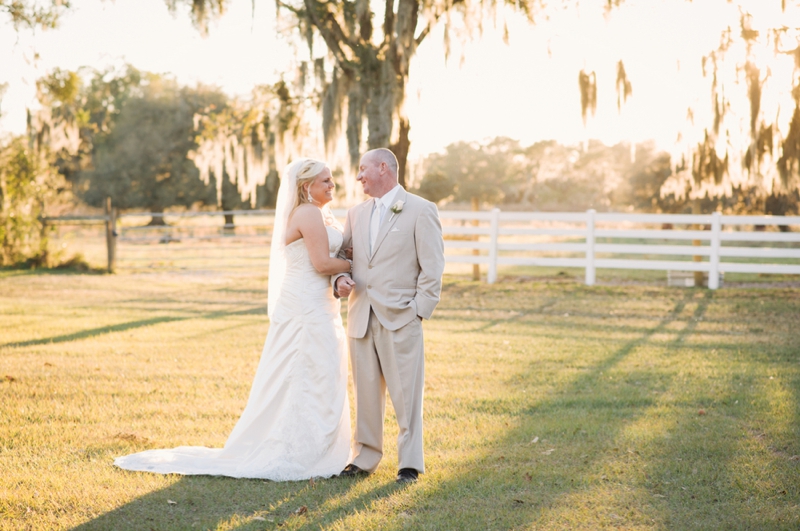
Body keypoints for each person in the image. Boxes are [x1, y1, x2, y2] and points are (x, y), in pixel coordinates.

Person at [114, 158, 354, 481]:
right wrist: (358, 266)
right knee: (304, 370)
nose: (332, 184)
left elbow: (331, 261)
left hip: (319, 303)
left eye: (331, 179)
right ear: (305, 186)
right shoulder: (308, 213)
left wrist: (343, 269)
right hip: (305, 306)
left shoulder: (322, 214)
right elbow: (323, 263)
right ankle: (297, 449)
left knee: (320, 369)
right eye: (324, 180)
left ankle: (318, 446)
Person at [334, 148, 445, 484]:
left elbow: (433, 267)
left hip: (402, 318)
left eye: (362, 169)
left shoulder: (421, 210)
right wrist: (339, 279)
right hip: (361, 317)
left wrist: (419, 312)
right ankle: (364, 458)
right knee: (365, 392)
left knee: (406, 394)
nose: (358, 177)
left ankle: (409, 463)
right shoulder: (355, 213)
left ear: (384, 167)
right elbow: (342, 256)